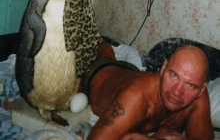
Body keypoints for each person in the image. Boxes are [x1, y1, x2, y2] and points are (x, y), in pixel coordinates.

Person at [86, 44, 214, 140]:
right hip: (98, 73)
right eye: (174, 75)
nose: (177, 92)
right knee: (101, 54)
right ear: (163, 68)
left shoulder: (198, 95)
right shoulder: (135, 97)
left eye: (190, 85)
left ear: (201, 89)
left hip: (132, 73)